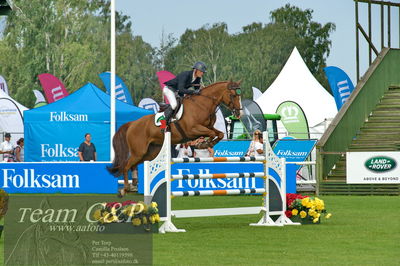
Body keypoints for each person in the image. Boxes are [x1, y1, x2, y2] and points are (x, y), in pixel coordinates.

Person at [162, 61, 207, 126]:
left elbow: (197, 91)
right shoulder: (185, 75)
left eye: (203, 72)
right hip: (170, 89)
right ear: (195, 70)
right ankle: (163, 123)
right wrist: (193, 92)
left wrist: (203, 91)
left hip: (178, 92)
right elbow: (181, 89)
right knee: (174, 105)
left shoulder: (197, 78)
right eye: (201, 71)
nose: (202, 73)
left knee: (186, 105)